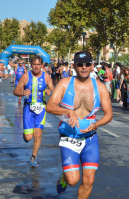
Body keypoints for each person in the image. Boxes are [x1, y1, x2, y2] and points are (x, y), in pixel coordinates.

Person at [45, 51, 112, 197]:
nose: (84, 67)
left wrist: (96, 124)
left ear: (92, 66)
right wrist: (68, 111)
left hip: (90, 139)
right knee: (73, 180)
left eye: (87, 64)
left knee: (89, 181)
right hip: (69, 138)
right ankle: (65, 177)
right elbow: (49, 106)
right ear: (74, 66)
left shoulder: (100, 87)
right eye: (80, 64)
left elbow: (109, 115)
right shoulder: (65, 83)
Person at [13, 55, 55, 167]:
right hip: (28, 108)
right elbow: (15, 91)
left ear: (42, 65)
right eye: (34, 64)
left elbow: (54, 90)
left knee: (38, 135)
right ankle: (26, 134)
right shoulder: (26, 76)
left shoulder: (46, 77)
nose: (36, 67)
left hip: (41, 109)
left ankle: (33, 157)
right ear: (31, 65)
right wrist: (22, 93)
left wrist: (49, 91)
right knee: (28, 137)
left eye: (38, 64)